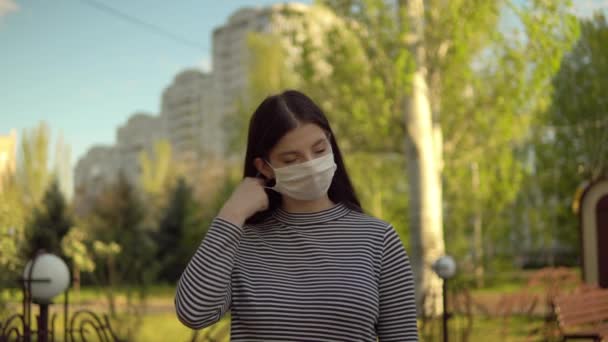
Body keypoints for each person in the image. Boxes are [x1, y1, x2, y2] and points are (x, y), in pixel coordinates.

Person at [175, 90, 419, 341]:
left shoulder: (378, 239)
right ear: (264, 168)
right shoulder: (240, 242)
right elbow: (193, 313)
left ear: (330, 144)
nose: (311, 165)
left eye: (319, 149)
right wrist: (232, 214)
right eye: (292, 159)